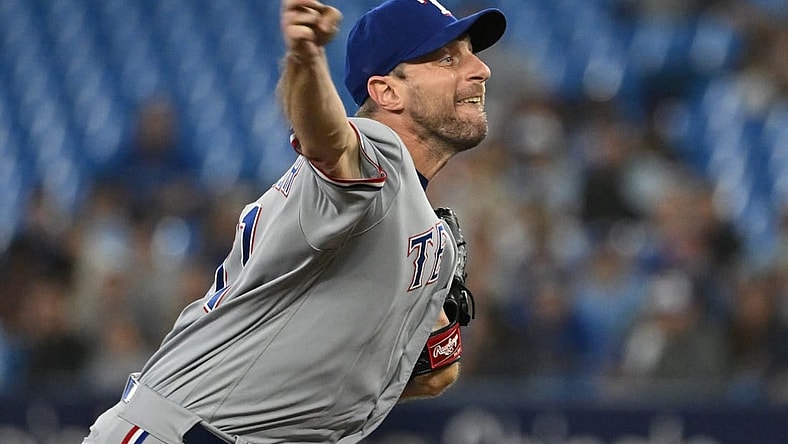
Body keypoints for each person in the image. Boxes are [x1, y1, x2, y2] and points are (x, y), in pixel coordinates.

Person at [82, 0, 506, 442]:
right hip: (181, 431)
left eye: (471, 54)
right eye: (447, 59)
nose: (481, 69)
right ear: (387, 92)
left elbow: (431, 375)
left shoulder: (424, 230)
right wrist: (306, 60)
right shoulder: (377, 153)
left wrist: (427, 331)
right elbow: (328, 139)